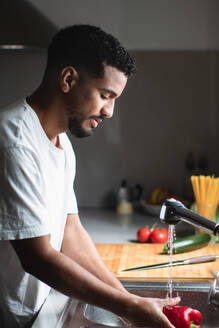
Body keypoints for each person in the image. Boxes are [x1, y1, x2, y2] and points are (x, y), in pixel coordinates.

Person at [0, 24, 180, 328]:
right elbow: (38, 257)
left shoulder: (61, 144)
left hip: (39, 311)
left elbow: (71, 234)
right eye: (105, 95)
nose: (109, 111)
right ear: (68, 79)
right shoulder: (13, 140)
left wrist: (126, 300)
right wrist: (131, 307)